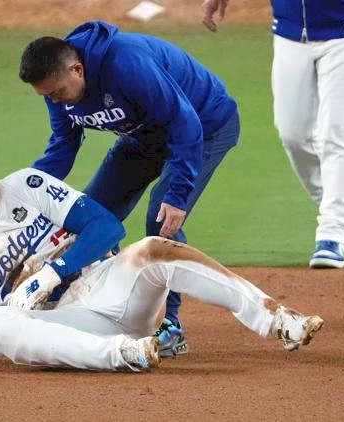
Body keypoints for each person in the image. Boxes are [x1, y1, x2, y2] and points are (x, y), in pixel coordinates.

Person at [0, 137, 324, 372]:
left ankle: (277, 320)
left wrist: (47, 275)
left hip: (106, 289)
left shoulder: (27, 184)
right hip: (56, 326)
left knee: (153, 249)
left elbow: (107, 226)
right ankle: (125, 355)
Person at [16, 21, 241, 357]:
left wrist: (178, 194)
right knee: (89, 218)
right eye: (46, 95)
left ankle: (170, 326)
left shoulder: (127, 64)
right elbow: (63, 146)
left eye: (56, 92)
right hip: (144, 136)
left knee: (160, 219)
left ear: (77, 70)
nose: (53, 100)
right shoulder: (57, 86)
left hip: (205, 127)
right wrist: (25, 192)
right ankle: (113, 305)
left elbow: (185, 123)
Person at [201, 0, 344, 268]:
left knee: (339, 132)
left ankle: (332, 232)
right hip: (290, 30)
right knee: (292, 133)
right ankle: (335, 198)